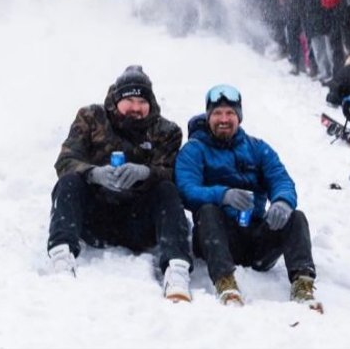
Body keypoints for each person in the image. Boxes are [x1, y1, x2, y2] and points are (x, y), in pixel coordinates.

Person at [46, 66, 196, 301]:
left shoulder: (167, 131)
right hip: (95, 219)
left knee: (167, 191)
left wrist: (146, 173)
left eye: (141, 101)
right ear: (116, 100)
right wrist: (94, 173)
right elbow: (65, 161)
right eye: (129, 100)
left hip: (140, 225)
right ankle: (62, 256)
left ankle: (176, 269)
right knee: (69, 182)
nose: (136, 108)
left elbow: (173, 173)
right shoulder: (91, 117)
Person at [175, 85, 323, 312]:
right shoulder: (194, 150)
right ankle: (225, 282)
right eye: (217, 114)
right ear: (208, 117)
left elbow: (281, 179)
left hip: (255, 238)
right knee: (207, 211)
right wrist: (222, 195)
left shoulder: (257, 148)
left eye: (230, 113)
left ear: (239, 117)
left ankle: (303, 284)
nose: (223, 119)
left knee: (296, 217)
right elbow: (186, 189)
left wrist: (282, 202)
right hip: (215, 237)